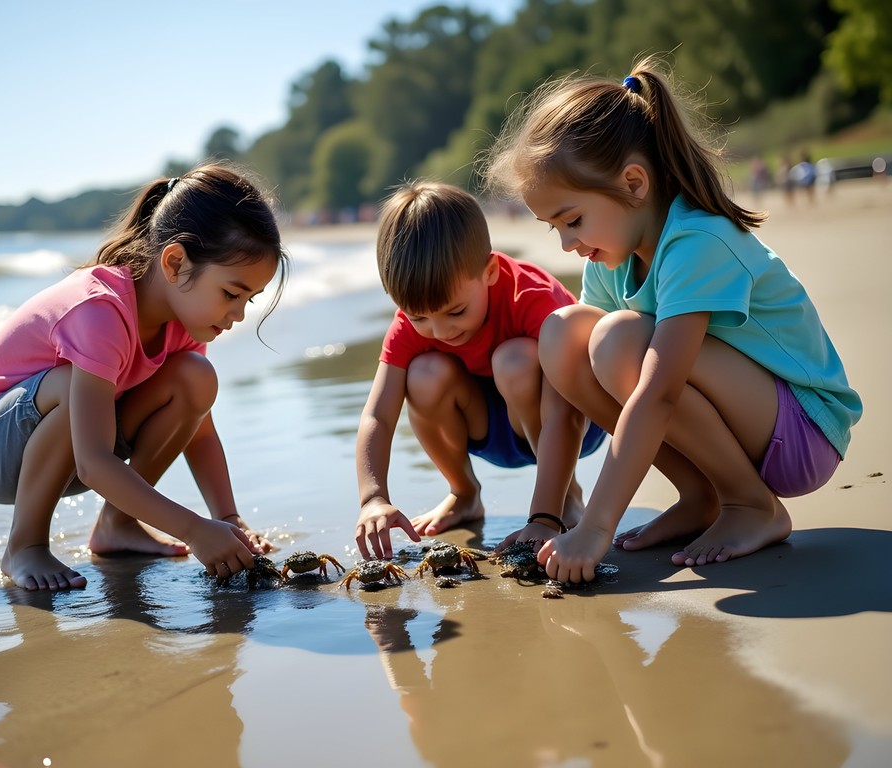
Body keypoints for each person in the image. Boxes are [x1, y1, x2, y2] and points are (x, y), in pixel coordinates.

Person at [482, 57, 862, 582]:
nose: (569, 244)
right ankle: (703, 495)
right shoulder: (613, 260)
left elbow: (658, 393)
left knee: (617, 340)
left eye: (573, 220)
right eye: (555, 229)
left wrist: (595, 526)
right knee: (563, 333)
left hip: (802, 430)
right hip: (746, 423)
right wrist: (545, 517)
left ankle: (752, 505)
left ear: (634, 184)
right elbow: (579, 391)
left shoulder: (696, 241)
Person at [0, 163, 289, 591]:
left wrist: (227, 521)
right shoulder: (100, 310)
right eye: (231, 294)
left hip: (75, 447)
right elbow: (93, 463)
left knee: (196, 377)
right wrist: (195, 531)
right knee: (70, 384)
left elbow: (198, 433)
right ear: (175, 263)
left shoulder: (181, 320)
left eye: (248, 301)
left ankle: (117, 525)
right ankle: (24, 544)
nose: (236, 315)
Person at [353, 181, 606, 560]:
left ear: (489, 271)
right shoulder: (411, 322)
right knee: (422, 373)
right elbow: (378, 414)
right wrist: (373, 498)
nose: (441, 331)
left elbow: (564, 413)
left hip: (572, 420)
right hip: (491, 428)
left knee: (515, 359)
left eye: (455, 312)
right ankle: (464, 493)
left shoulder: (532, 296)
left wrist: (544, 517)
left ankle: (566, 496)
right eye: (420, 317)